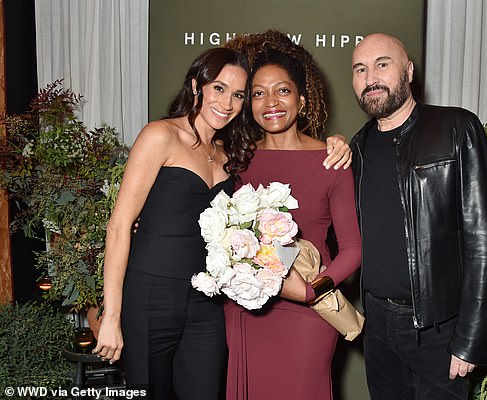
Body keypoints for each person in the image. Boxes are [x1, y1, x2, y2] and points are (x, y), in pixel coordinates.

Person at [93, 47, 351, 399]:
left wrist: (337, 143)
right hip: (152, 295)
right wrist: (111, 316)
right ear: (197, 86)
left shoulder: (233, 154)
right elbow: (119, 227)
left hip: (208, 301)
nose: (227, 103)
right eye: (219, 88)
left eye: (238, 95)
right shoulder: (160, 136)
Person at [349, 33, 487, 399]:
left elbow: (485, 239)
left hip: (439, 328)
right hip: (377, 327)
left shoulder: (457, 128)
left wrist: (470, 338)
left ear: (409, 70)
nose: (370, 77)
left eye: (382, 64)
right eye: (360, 69)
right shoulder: (356, 148)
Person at [223, 31, 362, 400]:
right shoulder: (238, 161)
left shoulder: (331, 160)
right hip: (248, 309)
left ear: (301, 99)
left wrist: (309, 291)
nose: (271, 102)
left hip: (308, 313)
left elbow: (352, 249)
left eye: (282, 91)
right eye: (257, 93)